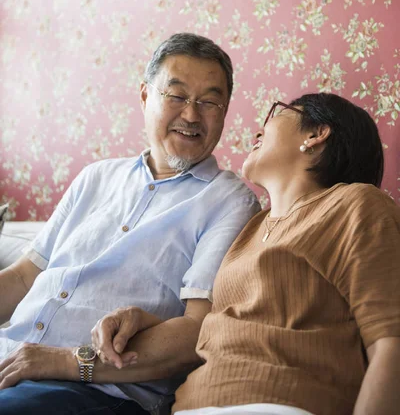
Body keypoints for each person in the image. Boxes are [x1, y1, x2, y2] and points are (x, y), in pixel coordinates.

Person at [0, 33, 260, 415]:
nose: (191, 115)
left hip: (95, 392)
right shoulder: (96, 177)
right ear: (144, 96)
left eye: (209, 101)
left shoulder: (229, 202)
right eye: (176, 96)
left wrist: (59, 360)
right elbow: (25, 276)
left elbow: (197, 332)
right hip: (11, 361)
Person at [94, 93, 400, 415]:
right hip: (189, 404)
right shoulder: (250, 228)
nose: (258, 131)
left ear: (315, 135)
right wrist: (143, 321)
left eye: (276, 114)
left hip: (284, 402)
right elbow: (232, 327)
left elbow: (391, 342)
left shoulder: (357, 205)